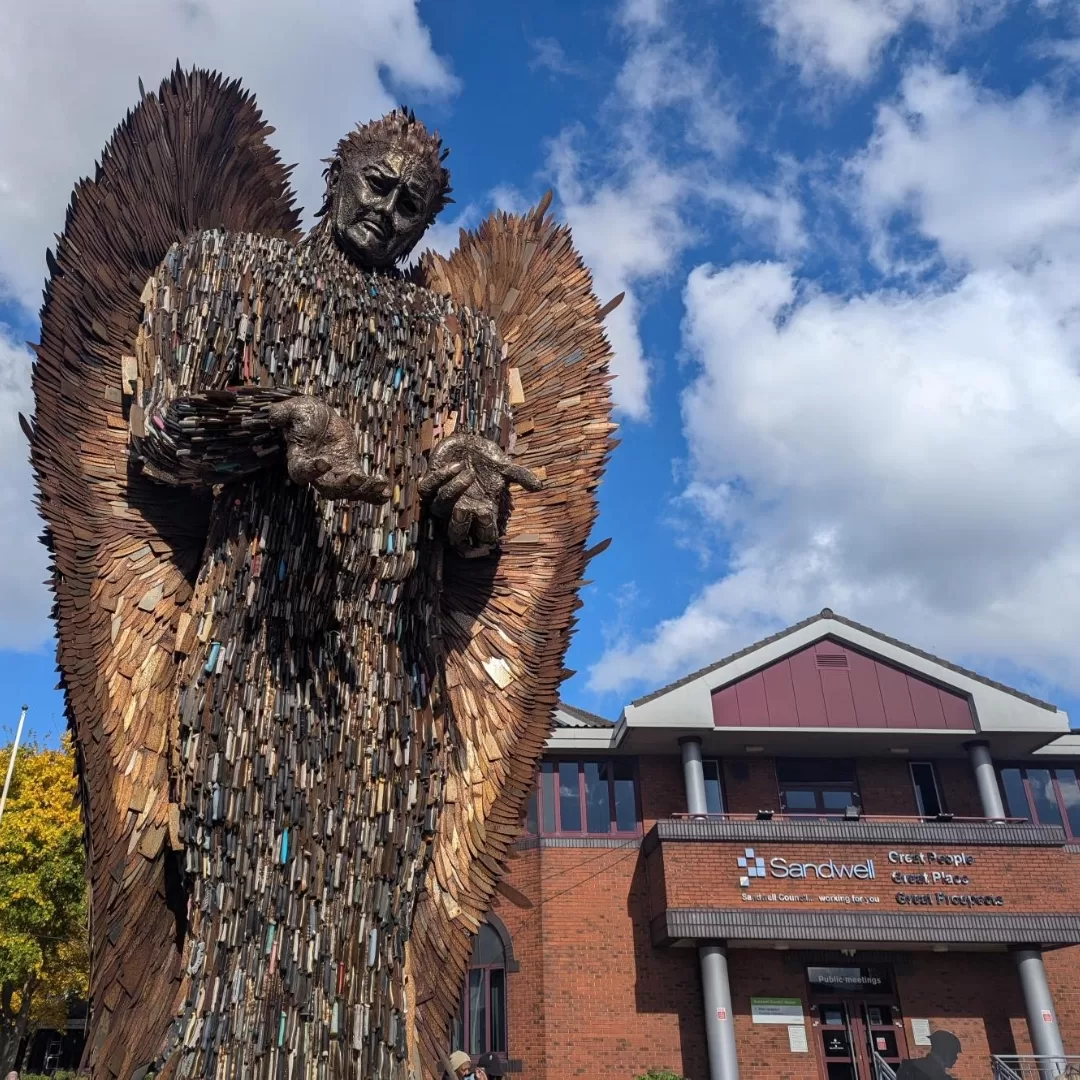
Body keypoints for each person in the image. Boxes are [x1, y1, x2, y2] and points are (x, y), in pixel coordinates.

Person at [896, 1030, 962, 1080]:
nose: (956, 1057)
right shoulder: (936, 1074)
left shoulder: (909, 1064)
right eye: (954, 1053)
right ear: (945, 1051)